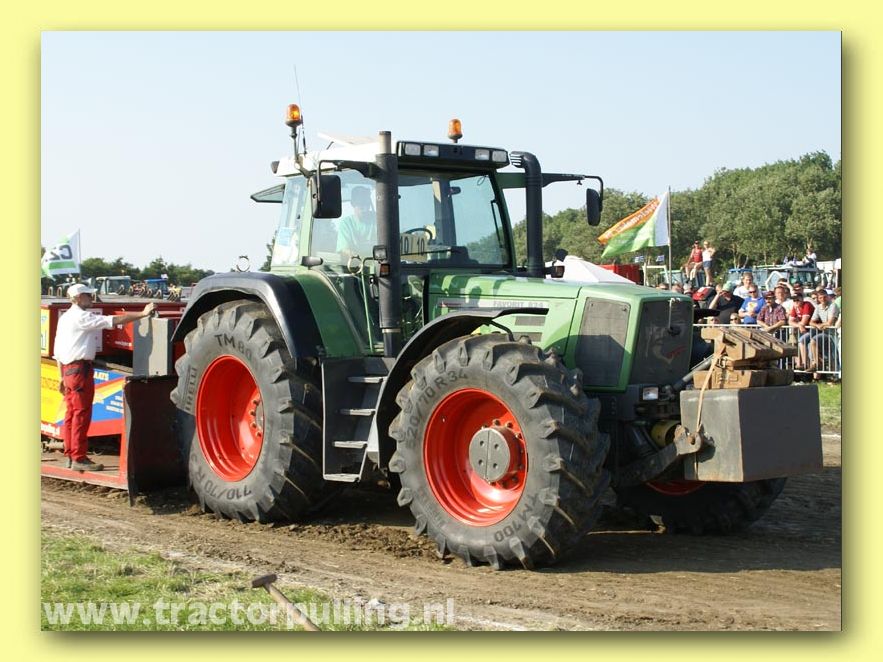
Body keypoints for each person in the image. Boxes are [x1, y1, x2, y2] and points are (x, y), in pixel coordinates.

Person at [54, 284, 155, 471]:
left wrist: (61, 376)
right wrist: (142, 314)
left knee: (71, 414)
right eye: (87, 295)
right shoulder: (81, 317)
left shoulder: (65, 318)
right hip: (79, 370)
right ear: (78, 298)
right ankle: (78, 458)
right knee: (81, 414)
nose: (91, 298)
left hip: (69, 370)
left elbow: (58, 350)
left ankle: (71, 455)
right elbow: (113, 320)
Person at [336, 185, 377, 257]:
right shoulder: (346, 224)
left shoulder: (378, 220)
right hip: (354, 262)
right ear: (353, 204)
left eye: (367, 204)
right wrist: (355, 255)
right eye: (361, 205)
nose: (365, 209)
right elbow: (344, 249)